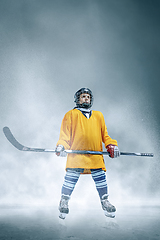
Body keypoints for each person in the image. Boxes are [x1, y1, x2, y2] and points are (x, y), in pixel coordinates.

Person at [56, 88, 120, 219]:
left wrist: (111, 145)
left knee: (100, 178)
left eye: (88, 97)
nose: (86, 99)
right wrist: (61, 146)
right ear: (78, 99)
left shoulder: (98, 115)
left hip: (95, 155)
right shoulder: (71, 114)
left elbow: (105, 135)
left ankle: (105, 201)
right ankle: (64, 201)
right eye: (83, 96)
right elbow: (65, 134)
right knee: (70, 178)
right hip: (76, 156)